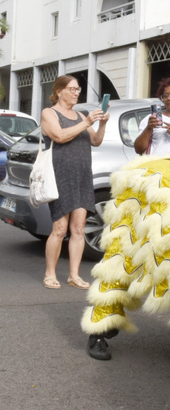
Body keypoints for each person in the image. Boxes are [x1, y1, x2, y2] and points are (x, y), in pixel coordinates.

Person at [40, 75, 108, 291]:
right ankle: (50, 274)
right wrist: (87, 122)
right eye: (71, 89)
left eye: (78, 89)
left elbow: (95, 141)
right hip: (61, 176)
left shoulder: (79, 115)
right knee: (60, 229)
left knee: (78, 228)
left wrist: (102, 124)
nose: (76, 92)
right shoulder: (49, 113)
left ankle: (74, 275)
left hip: (82, 176)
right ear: (59, 91)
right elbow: (60, 136)